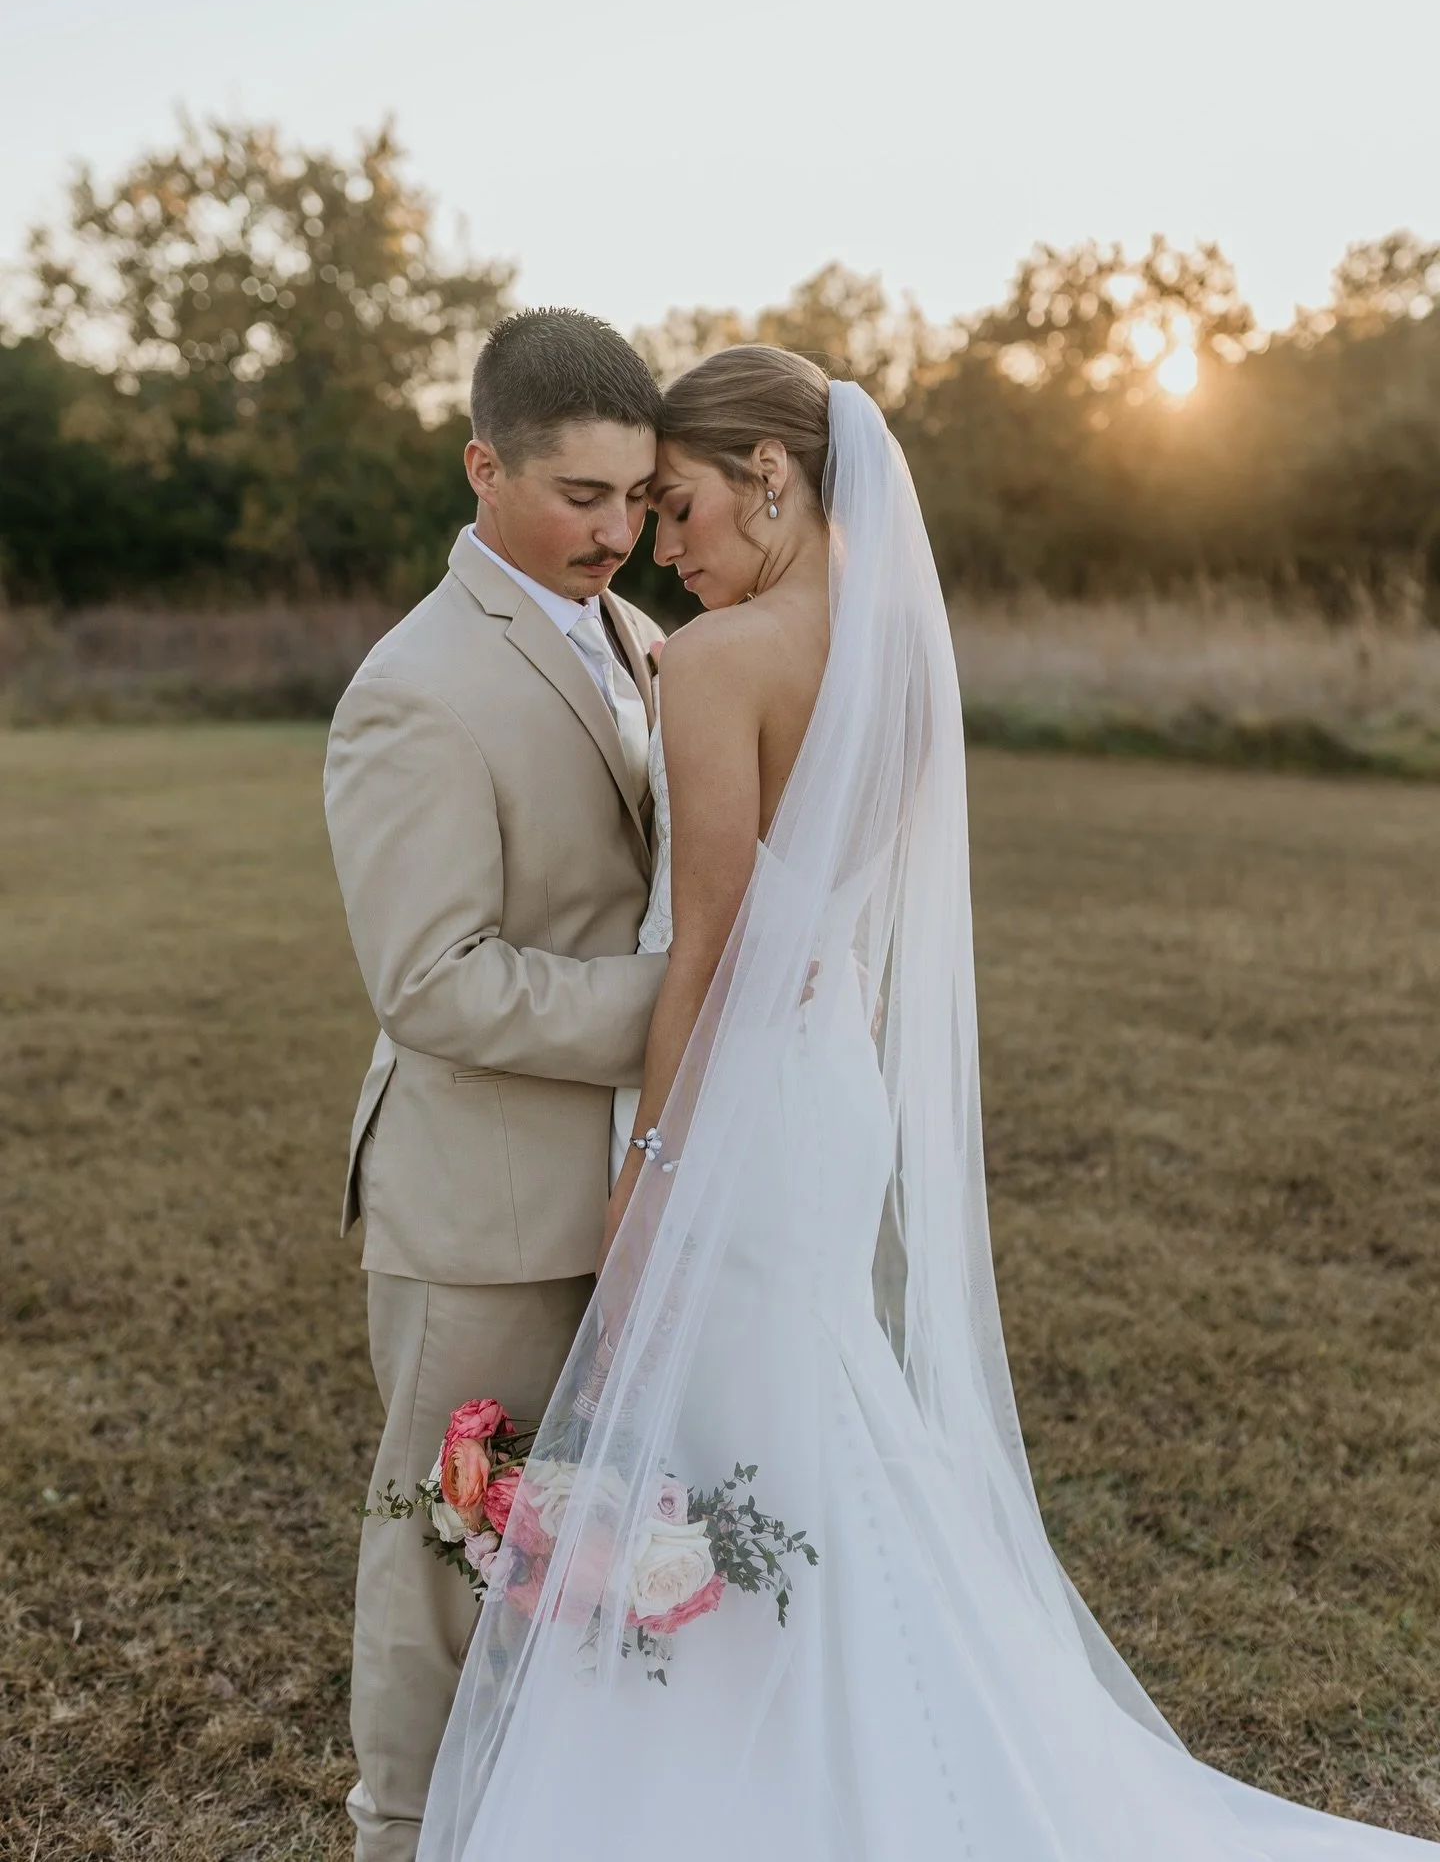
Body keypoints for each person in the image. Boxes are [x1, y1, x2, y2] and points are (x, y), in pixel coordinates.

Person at [418, 346, 1438, 1861]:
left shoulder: (719, 660)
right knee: (813, 1417)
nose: (663, 546)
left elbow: (703, 950)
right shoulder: (897, 646)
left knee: (743, 1427)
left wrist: (651, 1165)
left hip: (744, 1106)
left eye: (681, 504)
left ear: (774, 474)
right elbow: (830, 926)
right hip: (829, 1090)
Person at [324, 309, 669, 1862]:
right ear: (483, 466)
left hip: (632, 1189)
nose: (616, 530)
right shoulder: (419, 683)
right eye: (579, 496)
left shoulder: (645, 638)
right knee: (445, 1554)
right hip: (482, 1205)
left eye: (636, 495)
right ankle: (401, 1834)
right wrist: (675, 1015)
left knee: (598, 1550)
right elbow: (432, 977)